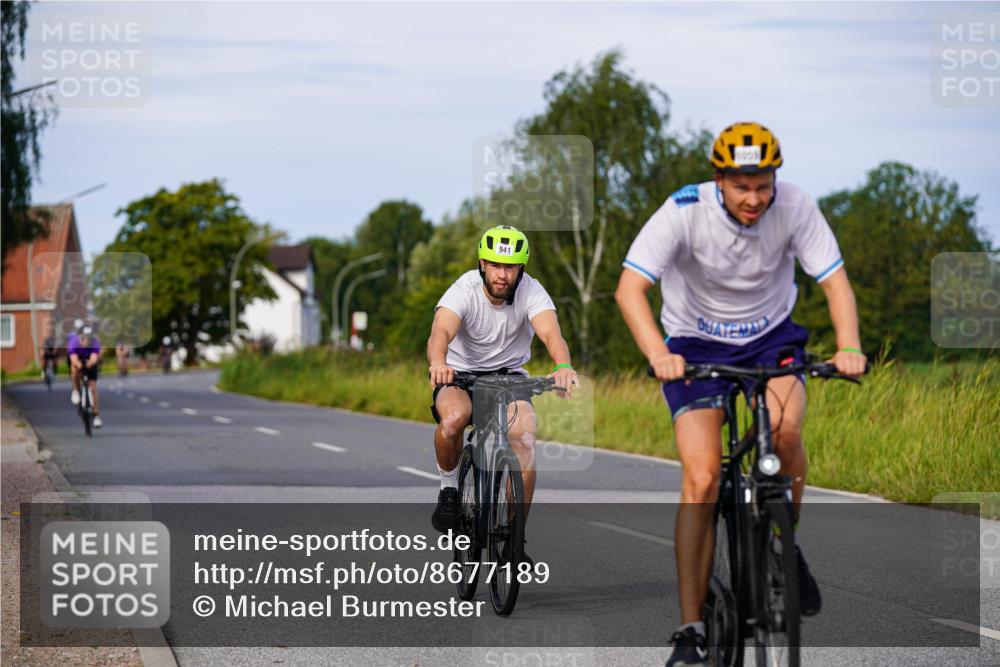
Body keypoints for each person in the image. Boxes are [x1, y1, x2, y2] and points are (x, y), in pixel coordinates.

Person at [615, 122, 866, 666]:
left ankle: (782, 544)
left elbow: (834, 282)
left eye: (763, 185)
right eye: (741, 186)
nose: (754, 198)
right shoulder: (683, 210)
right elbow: (630, 287)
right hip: (693, 345)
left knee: (785, 431)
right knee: (703, 475)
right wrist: (659, 352)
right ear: (719, 180)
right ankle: (690, 630)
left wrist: (848, 345)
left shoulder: (796, 206)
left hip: (771, 339)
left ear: (776, 179)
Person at [427, 225, 578, 549]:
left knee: (524, 435)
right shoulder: (464, 289)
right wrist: (439, 363)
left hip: (509, 377)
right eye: (495, 265)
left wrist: (563, 366)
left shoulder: (532, 292)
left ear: (520, 269)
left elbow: (552, 334)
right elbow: (440, 330)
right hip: (460, 374)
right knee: (454, 418)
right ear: (483, 264)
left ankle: (513, 538)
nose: (502, 275)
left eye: (509, 267)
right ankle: (449, 488)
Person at [69, 325, 103, 428]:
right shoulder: (74, 342)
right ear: (79, 336)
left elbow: (94, 358)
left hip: (90, 361)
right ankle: (75, 390)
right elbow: (73, 359)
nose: (86, 340)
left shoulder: (95, 342)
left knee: (93, 388)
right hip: (78, 359)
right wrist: (78, 365)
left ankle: (96, 415)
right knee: (74, 369)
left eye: (88, 337)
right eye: (83, 337)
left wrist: (89, 364)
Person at [66, 319, 84, 404]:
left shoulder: (86, 334)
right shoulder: (71, 335)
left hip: (83, 354)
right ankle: (75, 390)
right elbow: (68, 346)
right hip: (73, 353)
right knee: (73, 369)